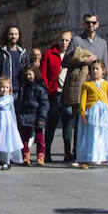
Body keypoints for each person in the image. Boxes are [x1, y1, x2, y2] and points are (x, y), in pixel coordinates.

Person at [63, 15, 107, 164]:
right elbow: (65, 62)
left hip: (96, 88)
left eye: (93, 23)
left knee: (96, 121)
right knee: (79, 120)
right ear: (83, 24)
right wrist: (83, 61)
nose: (91, 25)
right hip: (80, 85)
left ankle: (94, 152)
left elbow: (105, 67)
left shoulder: (102, 43)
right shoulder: (76, 41)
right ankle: (77, 152)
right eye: (88, 23)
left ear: (98, 24)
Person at [76, 59, 108, 169]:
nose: (95, 71)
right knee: (91, 135)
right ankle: (86, 159)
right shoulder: (87, 85)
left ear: (103, 71)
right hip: (92, 113)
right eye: (93, 69)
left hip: (104, 114)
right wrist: (83, 115)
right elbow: (83, 101)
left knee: (107, 136)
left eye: (97, 69)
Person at [40, 31, 70, 163]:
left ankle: (68, 153)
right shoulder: (49, 54)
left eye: (67, 40)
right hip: (54, 94)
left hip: (68, 95)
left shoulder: (73, 56)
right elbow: (43, 74)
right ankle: (46, 153)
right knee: (51, 125)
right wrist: (47, 90)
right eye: (62, 40)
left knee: (68, 125)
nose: (64, 43)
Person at [0, 75, 23, 170]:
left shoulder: (9, 98)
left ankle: (7, 161)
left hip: (6, 121)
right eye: (2, 87)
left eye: (6, 87)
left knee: (6, 141)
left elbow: (1, 105)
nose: (4, 89)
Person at [15, 66, 49, 165]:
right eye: (27, 75)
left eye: (30, 74)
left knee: (39, 137)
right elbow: (21, 102)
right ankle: (25, 155)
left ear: (35, 74)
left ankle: (40, 155)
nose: (28, 77)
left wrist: (42, 117)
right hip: (26, 115)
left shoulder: (40, 88)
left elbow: (44, 104)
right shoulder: (24, 87)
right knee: (24, 136)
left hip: (37, 115)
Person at [0, 26, 27, 93]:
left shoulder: (22, 53)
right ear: (7, 35)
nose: (13, 36)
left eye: (16, 34)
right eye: (11, 34)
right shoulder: (1, 53)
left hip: (20, 91)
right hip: (5, 90)